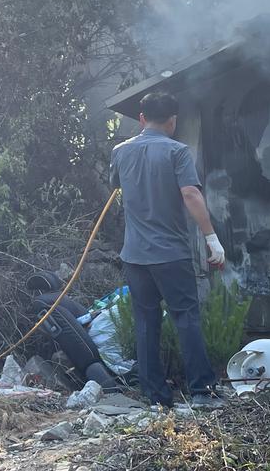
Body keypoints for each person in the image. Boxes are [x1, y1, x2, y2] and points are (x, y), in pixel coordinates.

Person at [109, 92, 226, 407]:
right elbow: (190, 193)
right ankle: (202, 391)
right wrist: (211, 238)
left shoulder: (119, 151)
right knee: (186, 317)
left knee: (146, 322)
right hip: (170, 255)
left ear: (142, 118)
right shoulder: (178, 152)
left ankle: (155, 395)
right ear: (173, 121)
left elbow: (116, 186)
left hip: (134, 256)